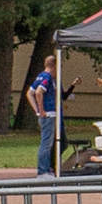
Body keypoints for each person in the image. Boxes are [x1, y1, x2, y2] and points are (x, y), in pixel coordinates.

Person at [27, 49, 59, 179]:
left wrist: (36, 110)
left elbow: (29, 93)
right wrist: (42, 111)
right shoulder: (47, 78)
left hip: (44, 114)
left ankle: (46, 168)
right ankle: (43, 171)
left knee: (46, 142)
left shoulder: (39, 76)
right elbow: (39, 92)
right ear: (54, 66)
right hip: (48, 114)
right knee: (46, 143)